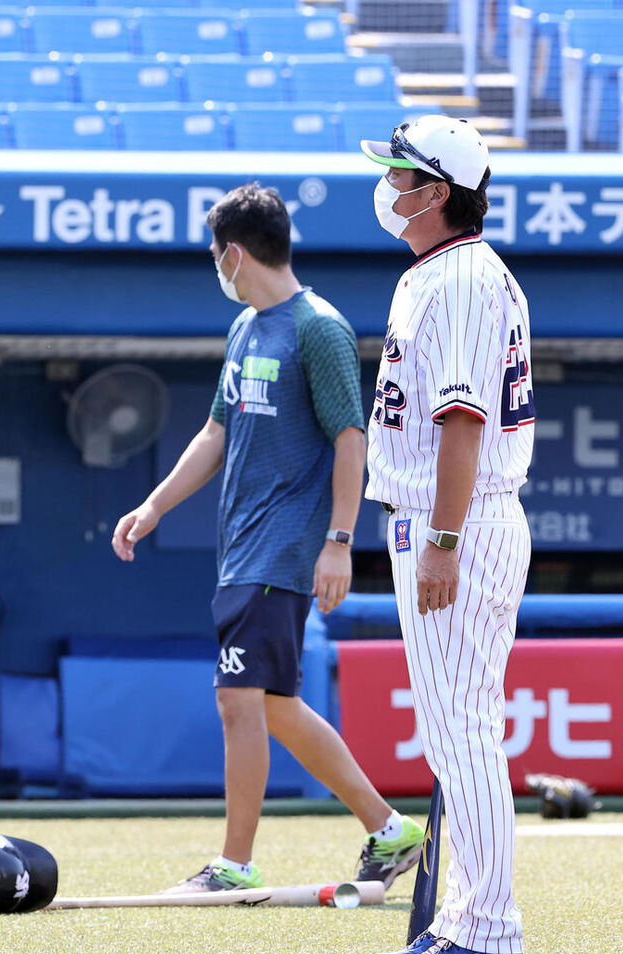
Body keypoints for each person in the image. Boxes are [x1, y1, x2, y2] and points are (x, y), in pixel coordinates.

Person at [111, 183, 424, 896]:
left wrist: (339, 541)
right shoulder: (245, 329)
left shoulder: (318, 327)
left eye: (213, 255)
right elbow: (215, 432)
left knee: (237, 699)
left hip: (281, 548)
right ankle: (388, 829)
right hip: (243, 547)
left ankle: (234, 865)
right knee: (274, 703)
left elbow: (351, 439)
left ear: (233, 254)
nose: (214, 267)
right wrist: (154, 506)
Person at [359, 116, 534, 954]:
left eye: (400, 174)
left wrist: (441, 540)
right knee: (454, 734)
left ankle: (489, 932)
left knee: (463, 733)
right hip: (449, 519)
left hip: (456, 520)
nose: (386, 185)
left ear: (435, 192)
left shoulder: (461, 276)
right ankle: (464, 921)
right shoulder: (444, 269)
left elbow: (461, 421)